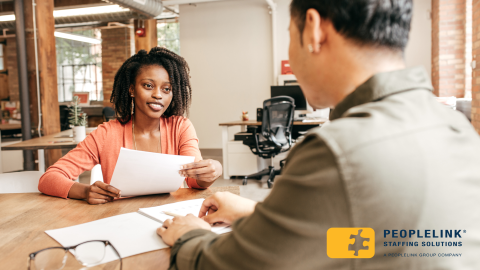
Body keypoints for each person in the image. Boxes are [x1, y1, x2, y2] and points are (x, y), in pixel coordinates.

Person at [156, 0, 480, 269]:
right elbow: (383, 242)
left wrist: (190, 233)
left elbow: (230, 265)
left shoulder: (338, 151)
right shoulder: (459, 132)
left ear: (313, 28)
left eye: (288, 34)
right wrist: (261, 214)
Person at [38, 47, 223, 204]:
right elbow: (49, 179)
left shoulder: (180, 127)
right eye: (148, 85)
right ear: (132, 89)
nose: (158, 95)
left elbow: (194, 181)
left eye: (167, 89)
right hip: (120, 218)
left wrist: (213, 171)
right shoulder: (107, 134)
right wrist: (85, 192)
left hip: (170, 216)